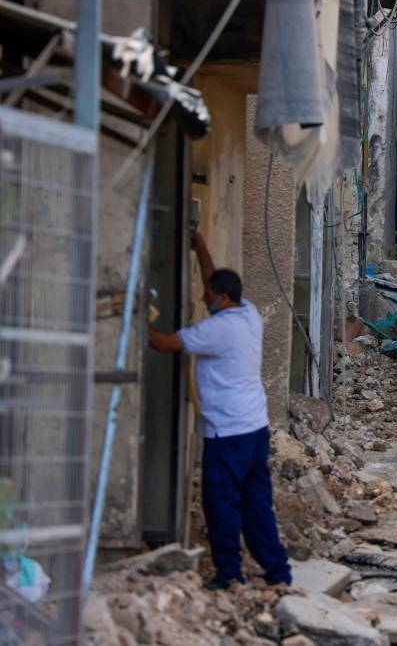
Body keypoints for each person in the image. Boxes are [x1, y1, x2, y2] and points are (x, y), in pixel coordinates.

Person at [148, 231, 292, 591]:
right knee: (257, 503)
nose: (203, 297)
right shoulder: (249, 314)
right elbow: (215, 280)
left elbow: (166, 344)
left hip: (226, 434)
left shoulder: (216, 330)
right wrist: (200, 248)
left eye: (208, 295)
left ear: (222, 299)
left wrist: (133, 318)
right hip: (254, 428)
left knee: (222, 505)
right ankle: (277, 571)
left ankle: (229, 573)